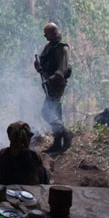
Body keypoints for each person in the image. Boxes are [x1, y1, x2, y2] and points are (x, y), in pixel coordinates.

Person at [35, 22, 72, 152]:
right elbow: (42, 62)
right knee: (56, 112)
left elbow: (62, 70)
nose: (45, 36)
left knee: (46, 112)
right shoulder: (49, 46)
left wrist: (51, 79)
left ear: (54, 33)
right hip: (49, 84)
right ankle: (57, 142)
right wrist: (38, 65)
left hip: (56, 85)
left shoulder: (63, 48)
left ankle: (65, 132)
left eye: (47, 33)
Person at [0, 121, 49, 185]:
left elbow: (0, 179)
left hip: (7, 190)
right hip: (29, 191)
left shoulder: (2, 154)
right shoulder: (32, 156)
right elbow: (42, 181)